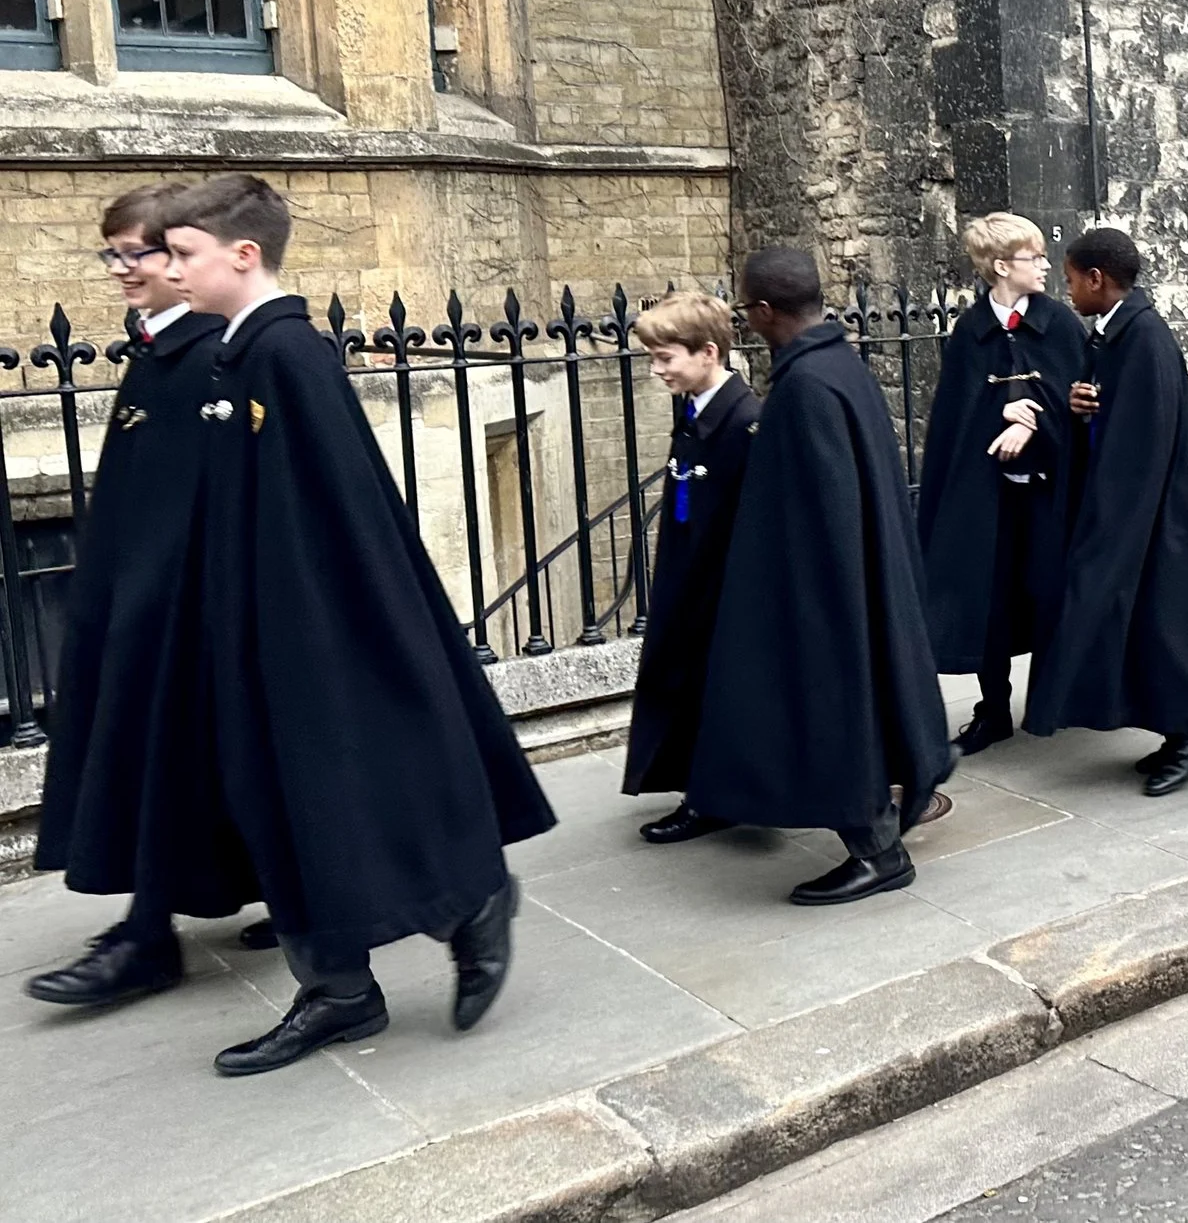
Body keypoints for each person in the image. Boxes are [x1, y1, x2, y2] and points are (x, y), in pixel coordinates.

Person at [154, 174, 555, 1076]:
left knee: (343, 797)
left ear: (243, 254)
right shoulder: (239, 351)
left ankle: (468, 906)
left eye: (185, 253)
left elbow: (342, 515)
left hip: (310, 634)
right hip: (253, 630)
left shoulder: (289, 356)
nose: (170, 270)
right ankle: (338, 988)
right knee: (280, 807)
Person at [25, 182, 268, 1011]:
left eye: (142, 253)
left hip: (178, 613)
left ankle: (147, 935)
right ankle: (278, 890)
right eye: (116, 253)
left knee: (175, 760)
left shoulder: (209, 356)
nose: (126, 269)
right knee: (188, 765)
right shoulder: (157, 350)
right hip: (132, 600)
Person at [687, 248, 953, 906]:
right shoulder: (839, 365)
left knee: (835, 715)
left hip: (827, 592)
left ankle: (878, 851)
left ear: (767, 311)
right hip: (855, 580)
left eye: (747, 308)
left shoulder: (805, 387)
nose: (746, 320)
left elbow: (823, 504)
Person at [1025, 228, 1188, 795]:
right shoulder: (1117, 334)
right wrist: (1082, 405)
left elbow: (1145, 441)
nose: (1066, 290)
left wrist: (1113, 527)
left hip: (1164, 515)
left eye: (1071, 280)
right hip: (1148, 511)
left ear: (1098, 279)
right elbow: (1117, 414)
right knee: (1156, 630)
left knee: (1173, 629)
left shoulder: (1142, 336)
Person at [916, 213, 1083, 751]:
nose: (1044, 266)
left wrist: (1034, 416)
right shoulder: (970, 331)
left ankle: (1060, 699)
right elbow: (957, 416)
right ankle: (993, 710)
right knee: (988, 596)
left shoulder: (1059, 323)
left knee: (1054, 590)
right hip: (988, 496)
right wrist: (1000, 420)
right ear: (1000, 266)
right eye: (1033, 258)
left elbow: (1080, 399)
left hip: (1049, 491)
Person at [620, 293, 763, 842]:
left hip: (718, 586)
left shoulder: (744, 421)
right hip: (688, 575)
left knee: (709, 689)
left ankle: (710, 799)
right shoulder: (695, 407)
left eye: (665, 358)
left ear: (708, 352)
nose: (657, 370)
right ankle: (705, 791)